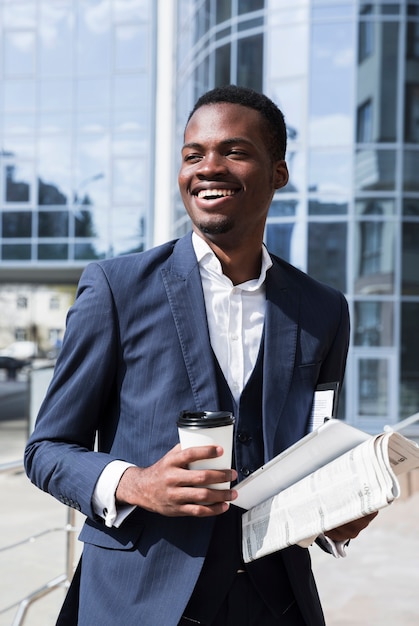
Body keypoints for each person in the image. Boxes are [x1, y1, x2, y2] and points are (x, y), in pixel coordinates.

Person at [25, 85, 376, 626]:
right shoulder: (116, 289)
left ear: (277, 173)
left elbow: (315, 446)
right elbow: (46, 450)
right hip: (140, 599)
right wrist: (134, 483)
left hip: (276, 601)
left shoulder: (324, 309)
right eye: (194, 155)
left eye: (233, 151)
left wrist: (336, 514)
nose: (208, 167)